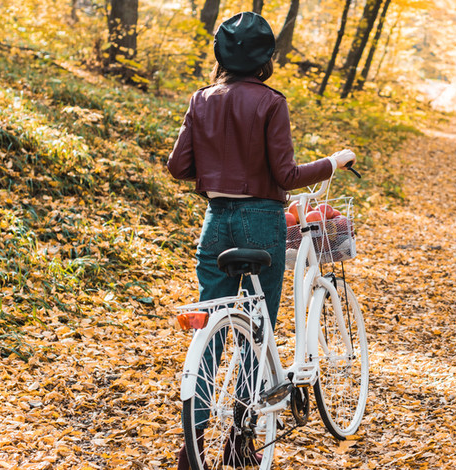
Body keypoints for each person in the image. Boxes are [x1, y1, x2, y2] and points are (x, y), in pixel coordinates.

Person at [166, 11, 356, 470]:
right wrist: (334, 161)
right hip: (261, 220)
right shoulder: (270, 102)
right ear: (266, 59)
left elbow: (178, 166)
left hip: (216, 222)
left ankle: (192, 441)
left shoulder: (202, 99)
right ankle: (242, 438)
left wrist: (215, 161)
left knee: (211, 323)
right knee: (259, 327)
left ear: (221, 55)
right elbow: (286, 175)